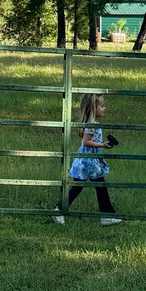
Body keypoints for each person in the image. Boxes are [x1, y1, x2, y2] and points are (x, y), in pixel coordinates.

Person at [52, 92, 122, 226]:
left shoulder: (93, 123)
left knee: (97, 187)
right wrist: (102, 145)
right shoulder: (91, 124)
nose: (104, 108)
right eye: (102, 106)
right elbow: (86, 142)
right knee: (85, 187)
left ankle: (106, 216)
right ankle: (59, 210)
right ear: (93, 108)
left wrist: (102, 146)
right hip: (87, 162)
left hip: (90, 161)